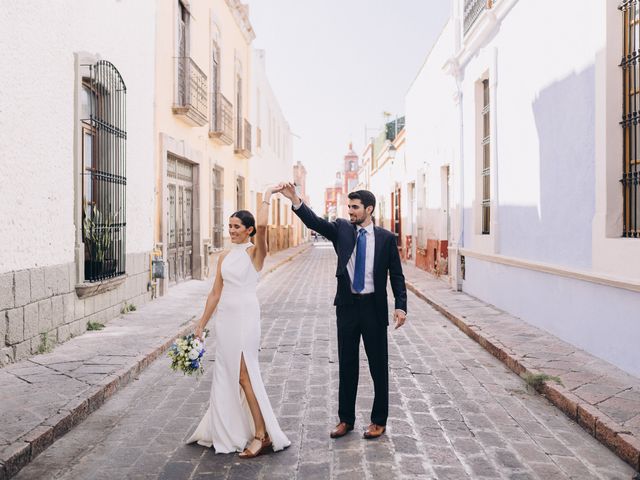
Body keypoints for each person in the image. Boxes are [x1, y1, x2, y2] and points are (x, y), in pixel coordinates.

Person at [280, 184, 407, 440]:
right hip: (348, 308)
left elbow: (397, 275)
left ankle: (378, 421)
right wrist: (295, 199)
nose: (350, 211)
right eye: (348, 206)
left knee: (378, 366)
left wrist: (400, 305)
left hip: (374, 308)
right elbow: (314, 221)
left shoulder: (385, 239)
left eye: (355, 207)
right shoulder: (341, 230)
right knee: (347, 364)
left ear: (368, 209)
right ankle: (345, 420)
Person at [187, 185, 290, 458]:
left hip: (246, 317)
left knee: (244, 375)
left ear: (249, 230)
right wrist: (200, 326)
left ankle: (262, 434)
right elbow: (215, 293)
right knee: (227, 373)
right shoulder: (223, 256)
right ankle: (229, 429)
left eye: (237, 227)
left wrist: (267, 195)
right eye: (229, 226)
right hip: (226, 320)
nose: (231, 230)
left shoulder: (255, 254)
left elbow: (265, 226)